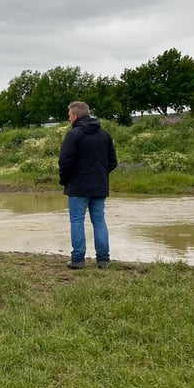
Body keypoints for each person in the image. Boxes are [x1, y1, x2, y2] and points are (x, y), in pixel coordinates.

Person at [58, 101, 118, 270]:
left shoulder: (74, 135)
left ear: (76, 115)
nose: (69, 119)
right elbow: (113, 162)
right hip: (100, 186)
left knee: (77, 221)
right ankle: (103, 260)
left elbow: (65, 161)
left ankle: (78, 260)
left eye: (70, 115)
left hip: (77, 187)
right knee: (99, 221)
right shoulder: (104, 134)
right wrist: (100, 175)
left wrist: (65, 180)